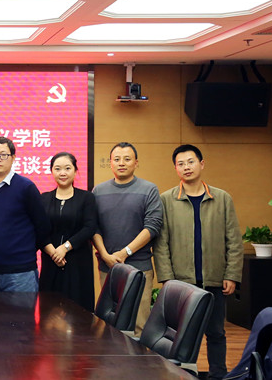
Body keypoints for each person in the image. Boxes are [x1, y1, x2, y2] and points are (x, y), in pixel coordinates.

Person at [154, 144, 243, 379]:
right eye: (181, 164)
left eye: (191, 162)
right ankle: (182, 375)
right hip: (182, 283)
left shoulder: (222, 198)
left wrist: (232, 275)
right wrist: (168, 279)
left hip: (214, 280)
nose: (186, 167)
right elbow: (161, 244)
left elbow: (234, 241)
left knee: (216, 333)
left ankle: (218, 375)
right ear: (175, 168)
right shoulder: (166, 200)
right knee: (183, 336)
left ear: (201, 164)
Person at [92, 142, 162, 337]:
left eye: (127, 159)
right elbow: (93, 227)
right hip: (108, 267)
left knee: (139, 324)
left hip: (140, 267)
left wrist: (125, 253)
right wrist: (105, 255)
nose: (121, 163)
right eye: (117, 159)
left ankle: (140, 359)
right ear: (110, 163)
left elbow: (152, 226)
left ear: (136, 163)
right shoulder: (98, 191)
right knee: (109, 323)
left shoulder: (149, 189)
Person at [0, 137, 51, 292]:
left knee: (22, 310)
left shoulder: (26, 187)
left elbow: (42, 225)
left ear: (13, 158)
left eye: (3, 155)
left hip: (21, 272)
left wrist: (23, 250)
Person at [39, 152, 98, 312]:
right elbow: (39, 229)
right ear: (51, 171)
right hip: (51, 261)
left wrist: (65, 248)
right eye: (57, 169)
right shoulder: (43, 198)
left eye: (67, 168)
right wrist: (54, 253)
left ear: (75, 170)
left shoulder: (87, 198)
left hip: (78, 262)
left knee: (78, 312)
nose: (62, 173)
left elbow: (89, 227)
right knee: (49, 312)